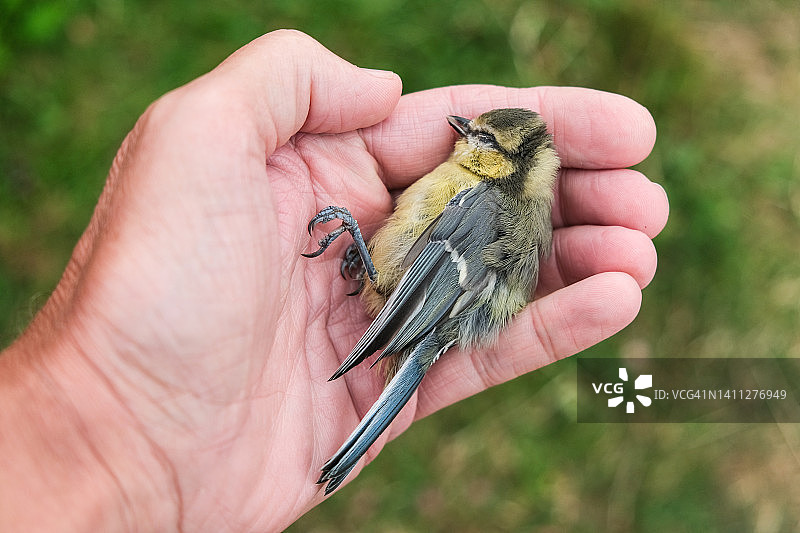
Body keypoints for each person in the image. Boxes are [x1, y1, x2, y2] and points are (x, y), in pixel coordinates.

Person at [0, 30, 668, 532]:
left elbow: (427, 286)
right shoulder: (490, 197)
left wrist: (375, 289)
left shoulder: (480, 200)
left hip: (416, 307)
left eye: (484, 141)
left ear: (504, 167)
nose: (467, 137)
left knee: (395, 278)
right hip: (421, 313)